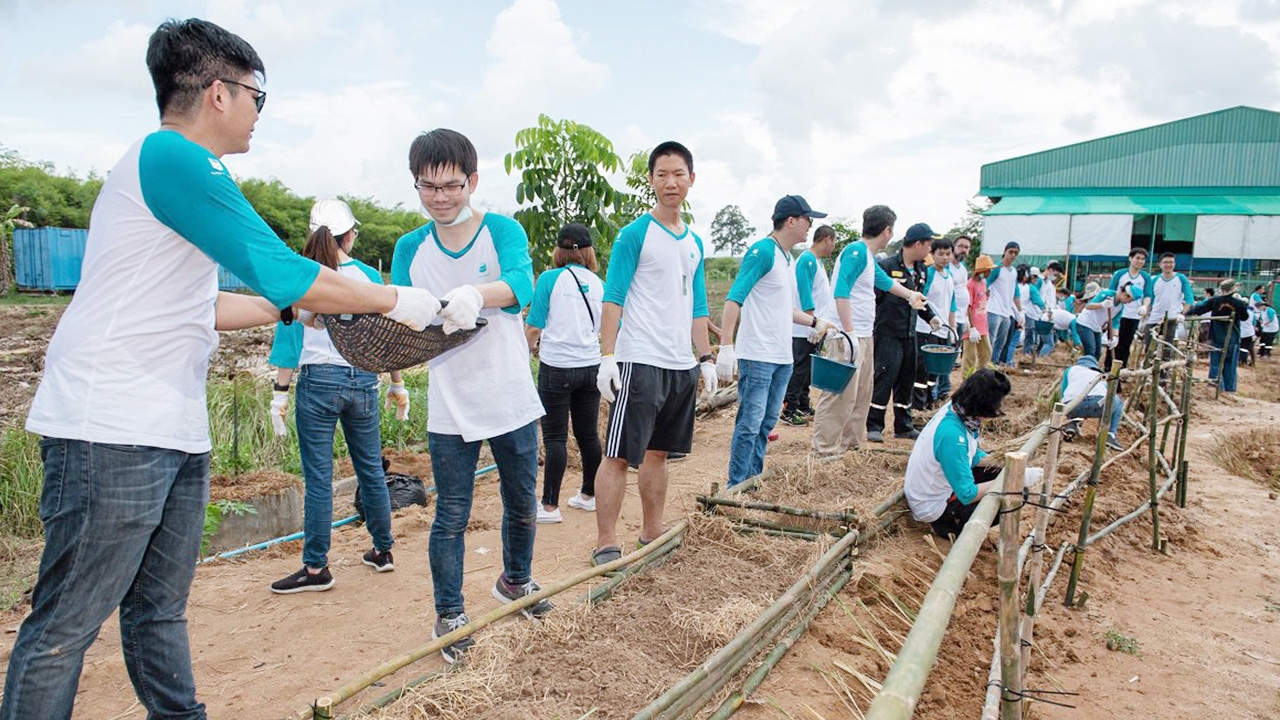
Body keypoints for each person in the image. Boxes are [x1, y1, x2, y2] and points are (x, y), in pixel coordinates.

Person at [4, 19, 441, 720]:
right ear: (217, 92)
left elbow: (201, 305)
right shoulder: (175, 158)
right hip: (108, 428)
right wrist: (399, 300)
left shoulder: (173, 177)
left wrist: (290, 312)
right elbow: (279, 266)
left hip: (168, 426)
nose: (258, 113)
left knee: (157, 613)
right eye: (256, 97)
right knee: (64, 629)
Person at [391, 128, 550, 664]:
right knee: (452, 514)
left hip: (508, 394)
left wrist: (473, 294)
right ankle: (449, 612)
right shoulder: (410, 248)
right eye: (427, 187)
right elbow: (396, 308)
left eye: (451, 185)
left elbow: (521, 286)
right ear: (416, 185)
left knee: (522, 501)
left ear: (472, 181)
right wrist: (401, 313)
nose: (440, 197)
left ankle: (516, 581)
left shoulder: (501, 231)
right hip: (450, 404)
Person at [268, 200, 408, 594]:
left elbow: (290, 337)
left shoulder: (303, 276)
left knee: (318, 479)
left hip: (319, 383)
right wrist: (396, 384)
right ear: (350, 235)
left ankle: (315, 569)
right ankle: (383, 551)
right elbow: (386, 336)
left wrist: (280, 393)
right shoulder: (366, 276)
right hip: (363, 379)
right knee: (370, 469)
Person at [593, 141, 717, 565]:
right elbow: (613, 297)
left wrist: (706, 358)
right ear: (651, 180)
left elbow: (698, 305)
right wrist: (607, 356)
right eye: (662, 174)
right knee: (619, 455)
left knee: (659, 452)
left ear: (691, 179)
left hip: (679, 365)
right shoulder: (635, 234)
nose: (671, 182)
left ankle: (652, 532)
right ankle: (606, 542)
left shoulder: (695, 242)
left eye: (678, 174)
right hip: (640, 359)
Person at [718, 196, 833, 487]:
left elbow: (784, 307)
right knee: (749, 423)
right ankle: (736, 486)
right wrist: (726, 345)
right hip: (758, 353)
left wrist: (815, 321)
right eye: (808, 220)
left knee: (766, 423)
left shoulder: (787, 257)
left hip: (781, 355)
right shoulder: (763, 251)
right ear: (791, 221)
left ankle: (752, 480)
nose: (811, 227)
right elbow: (735, 298)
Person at [811, 205, 926, 456]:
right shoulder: (855, 251)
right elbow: (841, 291)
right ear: (887, 230)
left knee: (861, 395)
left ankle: (850, 446)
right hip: (847, 336)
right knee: (839, 396)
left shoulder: (868, 257)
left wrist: (910, 295)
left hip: (863, 335)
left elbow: (883, 282)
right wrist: (849, 333)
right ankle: (825, 451)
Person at [525, 223, 605, 523]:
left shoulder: (549, 279)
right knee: (588, 435)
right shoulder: (599, 284)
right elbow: (611, 326)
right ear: (588, 251)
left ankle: (549, 506)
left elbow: (534, 326)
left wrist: (523, 353)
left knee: (556, 437)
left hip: (557, 367)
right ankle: (589, 495)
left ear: (559, 250)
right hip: (590, 367)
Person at [903, 369, 1013, 539]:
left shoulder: (958, 410)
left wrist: (1008, 464)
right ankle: (951, 528)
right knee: (1015, 492)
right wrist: (1010, 481)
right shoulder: (952, 435)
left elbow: (973, 454)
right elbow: (967, 493)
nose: (1000, 407)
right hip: (934, 508)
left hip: (941, 489)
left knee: (1000, 474)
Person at [866, 223, 942, 442]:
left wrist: (931, 317)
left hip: (910, 332)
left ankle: (903, 425)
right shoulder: (887, 266)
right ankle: (874, 424)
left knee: (907, 379)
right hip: (888, 332)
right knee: (884, 376)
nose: (930, 250)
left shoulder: (921, 270)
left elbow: (919, 298)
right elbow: (875, 299)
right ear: (918, 244)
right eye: (928, 245)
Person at [782, 224, 838, 425]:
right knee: (799, 368)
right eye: (834, 241)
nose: (834, 246)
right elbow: (805, 294)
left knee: (807, 368)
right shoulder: (807, 260)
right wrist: (811, 323)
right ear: (827, 239)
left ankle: (803, 404)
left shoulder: (817, 262)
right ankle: (789, 409)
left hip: (815, 325)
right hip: (804, 327)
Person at [1187, 278, 1250, 395]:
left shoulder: (1215, 301)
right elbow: (1244, 317)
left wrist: (1185, 313)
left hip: (1217, 337)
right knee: (1230, 365)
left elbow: (1199, 309)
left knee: (1216, 364)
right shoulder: (1238, 303)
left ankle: (1216, 388)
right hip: (1233, 337)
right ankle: (1230, 390)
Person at [915, 236, 956, 408]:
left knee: (935, 371)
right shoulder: (928, 273)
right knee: (922, 369)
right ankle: (918, 404)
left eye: (948, 254)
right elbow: (920, 298)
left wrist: (952, 328)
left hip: (943, 329)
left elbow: (951, 304)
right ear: (933, 254)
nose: (945, 257)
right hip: (926, 328)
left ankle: (930, 401)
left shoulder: (950, 276)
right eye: (941, 254)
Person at [1060, 355, 1124, 451]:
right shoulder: (1100, 375)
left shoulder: (1071, 370)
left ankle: (1071, 424)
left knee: (1071, 398)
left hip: (1074, 406)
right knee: (1117, 401)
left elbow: (1063, 392)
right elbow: (1108, 395)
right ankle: (1110, 434)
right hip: (1098, 404)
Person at [1108, 248, 1153, 367]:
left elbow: (1148, 295)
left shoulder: (1145, 277)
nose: (1140, 261)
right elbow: (1111, 291)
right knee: (1113, 342)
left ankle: (1121, 369)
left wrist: (1145, 305)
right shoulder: (1120, 274)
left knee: (1126, 343)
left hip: (1133, 315)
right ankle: (1108, 367)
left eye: (1143, 259)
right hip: (1117, 313)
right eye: (1138, 258)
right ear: (1130, 259)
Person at [986, 241, 1022, 368]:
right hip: (994, 309)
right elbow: (986, 282)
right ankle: (986, 364)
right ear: (1005, 252)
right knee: (991, 339)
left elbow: (1015, 291)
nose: (1012, 255)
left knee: (1001, 341)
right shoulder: (997, 268)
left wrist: (1020, 311)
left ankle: (994, 363)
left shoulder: (1013, 272)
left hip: (1007, 311)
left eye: (1015, 253)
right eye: (1010, 252)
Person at [945, 234, 972, 398]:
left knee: (954, 353)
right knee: (946, 355)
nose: (964, 250)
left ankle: (945, 385)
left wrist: (967, 318)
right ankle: (941, 388)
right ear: (953, 247)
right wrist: (952, 322)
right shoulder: (947, 267)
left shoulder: (962, 269)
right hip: (950, 318)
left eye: (967, 247)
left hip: (962, 317)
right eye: (961, 246)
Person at [1076, 282, 1130, 361]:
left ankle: (1092, 369)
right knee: (1091, 350)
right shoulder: (1107, 294)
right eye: (1129, 299)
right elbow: (1089, 306)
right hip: (1085, 323)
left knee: (1097, 353)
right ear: (1124, 294)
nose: (1129, 302)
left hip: (1097, 327)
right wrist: (1102, 304)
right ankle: (1085, 369)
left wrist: (1115, 337)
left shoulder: (1120, 307)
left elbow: (1115, 324)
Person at [1012, 264, 1045, 362]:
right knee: (1030, 335)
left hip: (1016, 312)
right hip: (1028, 314)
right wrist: (1045, 307)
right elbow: (1038, 301)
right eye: (1035, 277)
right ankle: (1027, 354)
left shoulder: (1016, 285)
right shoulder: (1030, 288)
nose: (1036, 280)